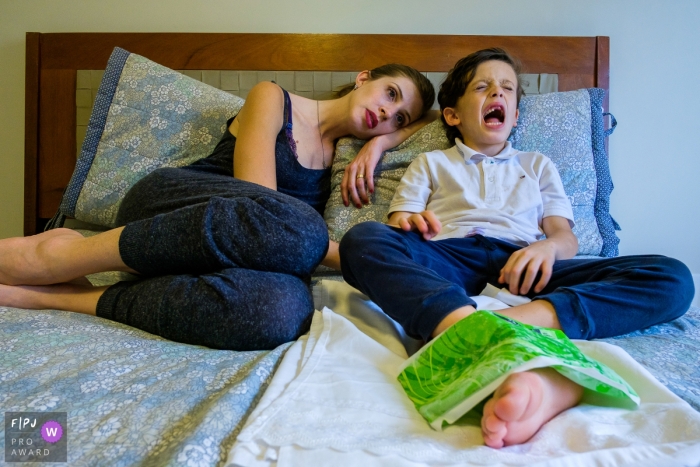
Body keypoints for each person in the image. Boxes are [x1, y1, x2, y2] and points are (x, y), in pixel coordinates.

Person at [339, 48, 695, 448]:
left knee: (673, 277)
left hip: (524, 264)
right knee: (362, 240)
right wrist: (410, 222)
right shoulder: (431, 163)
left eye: (507, 89)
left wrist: (547, 250)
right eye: (483, 87)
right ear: (452, 115)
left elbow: (564, 236)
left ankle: (510, 325)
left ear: (516, 114)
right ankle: (457, 321)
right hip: (449, 259)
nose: (499, 94)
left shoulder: (538, 163)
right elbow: (398, 224)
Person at [0, 64, 436, 351]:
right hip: (175, 204)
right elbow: (259, 202)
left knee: (281, 313)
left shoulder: (346, 152)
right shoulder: (274, 97)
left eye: (400, 117)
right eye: (390, 93)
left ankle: (69, 298)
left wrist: (382, 143)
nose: (387, 112)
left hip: (226, 255)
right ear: (364, 78)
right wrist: (370, 259)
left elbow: (440, 121)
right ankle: (60, 257)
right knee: (296, 226)